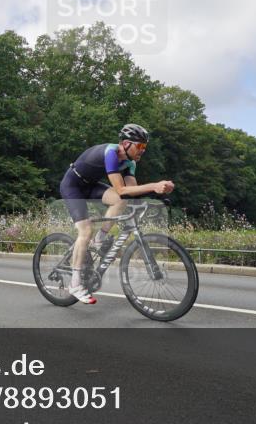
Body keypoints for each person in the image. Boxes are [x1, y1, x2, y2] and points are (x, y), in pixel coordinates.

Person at [59, 124, 175, 304]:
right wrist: (153, 185)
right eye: (141, 146)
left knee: (121, 200)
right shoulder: (111, 153)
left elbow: (130, 191)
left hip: (90, 186)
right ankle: (74, 284)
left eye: (145, 147)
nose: (142, 151)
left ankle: (100, 239)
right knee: (85, 231)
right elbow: (121, 189)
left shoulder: (130, 163)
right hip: (72, 186)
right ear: (127, 144)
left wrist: (156, 195)